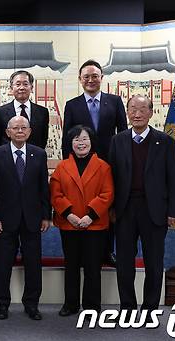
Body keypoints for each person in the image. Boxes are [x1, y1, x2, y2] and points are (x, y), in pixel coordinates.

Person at [109, 95, 175, 315]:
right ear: (127, 113)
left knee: (154, 262)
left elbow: (174, 179)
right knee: (124, 263)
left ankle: (150, 308)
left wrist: (173, 211)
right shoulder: (118, 140)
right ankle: (127, 307)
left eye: (142, 109)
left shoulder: (165, 141)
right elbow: (110, 177)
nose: (137, 114)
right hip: (124, 209)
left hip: (155, 211)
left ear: (151, 113)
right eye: (132, 109)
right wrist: (110, 209)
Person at [62, 59, 127, 266]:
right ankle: (82, 251)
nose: (91, 80)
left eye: (95, 76)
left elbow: (123, 133)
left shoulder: (115, 101)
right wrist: (67, 168)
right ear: (80, 80)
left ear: (102, 78)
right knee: (83, 204)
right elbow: (66, 139)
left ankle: (108, 250)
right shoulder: (72, 105)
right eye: (86, 77)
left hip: (110, 163)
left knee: (108, 207)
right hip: (80, 164)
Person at [0, 115, 51, 321]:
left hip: (33, 218)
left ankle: (32, 304)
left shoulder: (39, 154)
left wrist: (46, 216)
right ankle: (2, 304)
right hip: (5, 220)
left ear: (30, 131)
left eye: (24, 127)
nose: (20, 131)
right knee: (3, 264)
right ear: (7, 132)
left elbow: (44, 188)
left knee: (34, 264)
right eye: (15, 128)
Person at [50, 125, 113, 316]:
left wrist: (89, 216)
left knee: (93, 267)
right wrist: (69, 214)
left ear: (92, 142)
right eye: (76, 139)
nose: (81, 143)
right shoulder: (62, 167)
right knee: (71, 266)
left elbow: (107, 194)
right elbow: (56, 193)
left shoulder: (103, 166)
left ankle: (92, 306)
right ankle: (70, 304)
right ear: (71, 143)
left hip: (94, 225)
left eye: (85, 139)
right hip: (69, 224)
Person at [0, 70, 49, 149]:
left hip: (34, 157)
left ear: (31, 87)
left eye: (25, 84)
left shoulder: (42, 112)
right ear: (11, 88)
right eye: (18, 84)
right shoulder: (0, 112)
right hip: (7, 158)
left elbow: (43, 139)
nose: (22, 87)